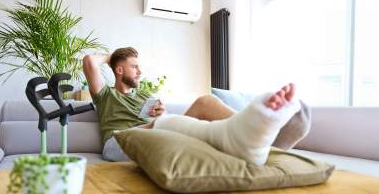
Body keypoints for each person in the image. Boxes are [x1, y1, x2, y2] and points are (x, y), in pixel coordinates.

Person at [83, 47, 310, 165]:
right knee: (202, 104)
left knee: (205, 105)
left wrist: (163, 114)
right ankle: (256, 132)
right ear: (119, 70)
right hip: (120, 141)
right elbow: (89, 62)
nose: (140, 71)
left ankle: (258, 135)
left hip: (153, 136)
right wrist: (114, 56)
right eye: (134, 66)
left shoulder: (146, 95)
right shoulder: (106, 94)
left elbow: (171, 124)